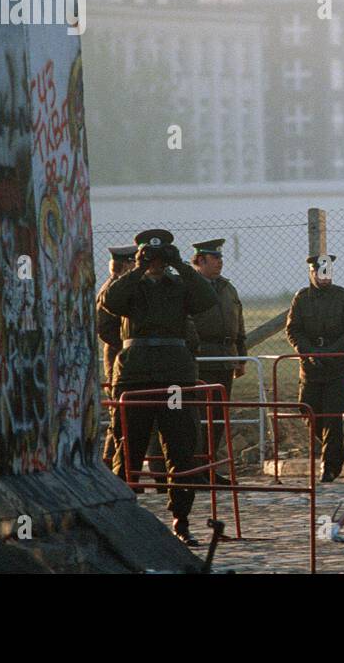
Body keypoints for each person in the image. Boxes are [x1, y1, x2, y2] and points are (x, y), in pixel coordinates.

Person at [98, 228, 219, 545]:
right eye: (149, 256)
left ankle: (181, 518)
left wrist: (179, 266)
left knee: (180, 448)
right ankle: (124, 519)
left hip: (174, 377)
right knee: (129, 450)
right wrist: (137, 268)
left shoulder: (179, 284)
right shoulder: (130, 287)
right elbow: (109, 302)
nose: (154, 263)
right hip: (135, 376)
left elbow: (207, 300)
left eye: (158, 256)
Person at [285, 253, 344, 482]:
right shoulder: (301, 298)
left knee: (333, 416)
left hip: (337, 367)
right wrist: (308, 352)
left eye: (328, 272)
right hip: (310, 368)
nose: (325, 277)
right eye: (320, 273)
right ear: (312, 273)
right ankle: (338, 450)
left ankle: (329, 466)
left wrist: (331, 352)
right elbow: (293, 329)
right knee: (309, 411)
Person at [185, 238, 247, 476]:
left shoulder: (227, 288)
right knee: (198, 415)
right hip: (200, 359)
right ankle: (195, 466)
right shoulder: (189, 286)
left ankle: (210, 466)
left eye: (220, 258)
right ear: (200, 260)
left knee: (218, 417)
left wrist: (241, 357)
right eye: (215, 258)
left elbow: (238, 324)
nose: (220, 262)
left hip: (225, 357)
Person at [99, 245, 138, 469]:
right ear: (125, 264)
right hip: (118, 358)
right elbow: (104, 328)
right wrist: (127, 343)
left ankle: (119, 464)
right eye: (133, 263)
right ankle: (110, 464)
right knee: (119, 414)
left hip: (126, 357)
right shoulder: (113, 288)